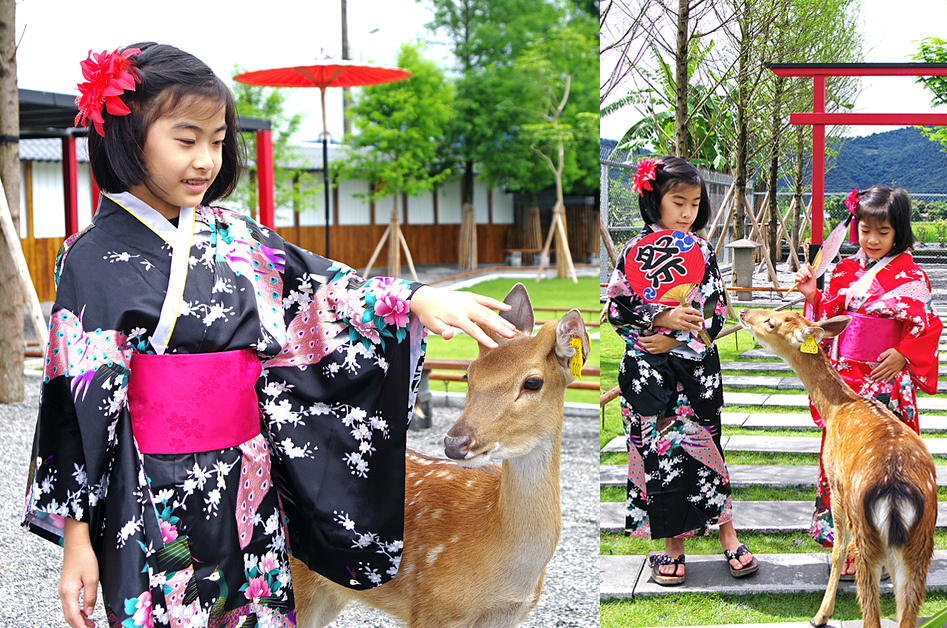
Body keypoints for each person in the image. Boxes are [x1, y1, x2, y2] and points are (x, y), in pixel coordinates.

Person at [22, 43, 516, 628]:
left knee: (252, 608)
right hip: (156, 494)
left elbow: (325, 288)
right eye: (186, 140)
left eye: (217, 140)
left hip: (247, 479)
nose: (206, 159)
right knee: (172, 603)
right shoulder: (92, 257)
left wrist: (414, 298)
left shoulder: (235, 236)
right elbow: (74, 410)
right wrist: (78, 540)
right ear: (128, 136)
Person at [606, 156, 757, 586]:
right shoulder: (632, 253)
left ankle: (729, 536)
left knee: (708, 451)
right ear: (654, 201)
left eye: (694, 203)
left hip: (694, 374)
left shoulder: (704, 250)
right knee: (657, 459)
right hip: (652, 376)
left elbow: (716, 310)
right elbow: (618, 309)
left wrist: (676, 336)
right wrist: (659, 317)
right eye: (678, 202)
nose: (688, 212)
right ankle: (673, 546)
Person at [792, 185, 943, 579]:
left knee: (885, 465)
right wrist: (812, 295)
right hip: (846, 381)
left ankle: (882, 543)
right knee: (844, 462)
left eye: (883, 232)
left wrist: (905, 353)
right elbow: (823, 322)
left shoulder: (912, 275)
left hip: (885, 380)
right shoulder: (842, 271)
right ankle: (847, 544)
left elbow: (928, 327)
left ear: (899, 232)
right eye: (865, 230)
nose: (872, 240)